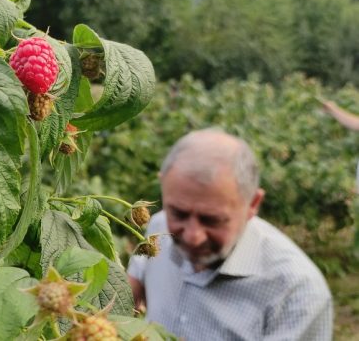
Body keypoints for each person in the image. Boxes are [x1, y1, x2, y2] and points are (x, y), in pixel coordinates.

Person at [127, 129, 332, 340]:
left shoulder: (297, 293)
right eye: (178, 213)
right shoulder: (159, 228)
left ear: (253, 204)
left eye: (212, 220)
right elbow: (133, 285)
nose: (192, 236)